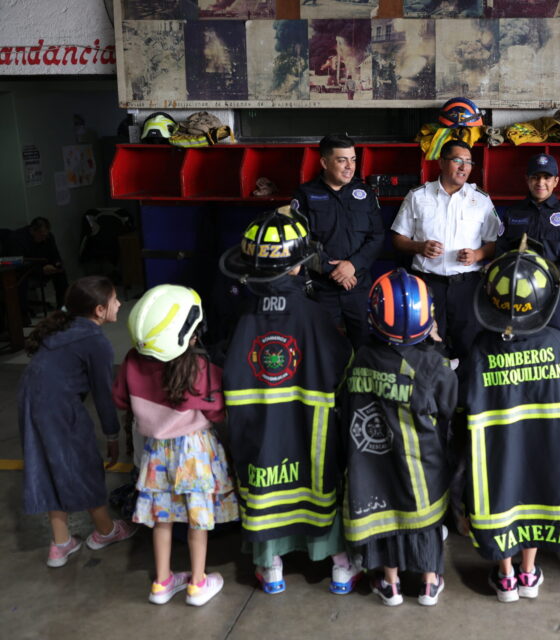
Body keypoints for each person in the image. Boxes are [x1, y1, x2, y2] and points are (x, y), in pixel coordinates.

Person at [219, 207, 361, 596]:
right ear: (298, 266)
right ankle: (339, 565)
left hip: (259, 433)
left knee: (264, 492)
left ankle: (270, 566)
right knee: (319, 486)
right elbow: (342, 364)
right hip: (309, 431)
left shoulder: (242, 316)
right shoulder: (315, 316)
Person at [462, 239, 560, 603]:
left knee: (504, 502)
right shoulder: (558, 344)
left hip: (499, 454)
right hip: (545, 450)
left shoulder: (481, 347)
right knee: (537, 500)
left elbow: (465, 397)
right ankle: (529, 571)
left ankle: (506, 574)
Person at [114, 285, 239, 606]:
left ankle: (161, 582)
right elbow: (218, 411)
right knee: (198, 519)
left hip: (156, 452)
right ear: (189, 335)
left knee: (162, 517)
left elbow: (120, 399)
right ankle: (197, 583)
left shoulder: (131, 362)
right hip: (194, 453)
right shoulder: (199, 368)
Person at [341, 269, 457, 607]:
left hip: (372, 464)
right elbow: (449, 408)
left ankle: (390, 584)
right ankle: (429, 584)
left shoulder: (360, 357)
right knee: (425, 522)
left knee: (387, 523)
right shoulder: (433, 364)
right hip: (421, 466)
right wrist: (437, 346)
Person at [18, 275, 135, 568]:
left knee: (50, 465)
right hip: (58, 407)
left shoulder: (62, 327)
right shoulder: (96, 341)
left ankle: (61, 543)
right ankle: (106, 531)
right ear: (99, 310)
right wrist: (112, 435)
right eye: (114, 300)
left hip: (31, 401)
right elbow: (103, 395)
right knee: (84, 464)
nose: (120, 304)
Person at [392, 140, 500, 361]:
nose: (464, 167)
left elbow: (495, 242)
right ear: (441, 162)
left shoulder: (481, 200)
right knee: (426, 348)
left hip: (467, 287)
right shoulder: (418, 196)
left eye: (468, 162)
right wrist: (419, 246)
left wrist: (477, 254)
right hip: (427, 285)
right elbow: (398, 239)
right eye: (457, 160)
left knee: (470, 348)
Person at [292, 134, 384, 349]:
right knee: (323, 348)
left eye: (353, 160)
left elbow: (377, 236)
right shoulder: (305, 194)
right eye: (342, 160)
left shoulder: (365, 193)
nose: (350, 167)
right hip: (321, 288)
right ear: (325, 163)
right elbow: (299, 241)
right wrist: (332, 270)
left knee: (365, 347)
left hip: (358, 286)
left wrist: (352, 266)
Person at [495, 153, 560, 333]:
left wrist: (550, 284)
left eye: (546, 177)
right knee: (519, 339)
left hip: (556, 292)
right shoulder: (512, 213)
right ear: (527, 180)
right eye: (535, 177)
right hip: (518, 293)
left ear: (556, 181)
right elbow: (502, 252)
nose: (540, 182)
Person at [4, 217, 68, 313]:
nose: (44, 238)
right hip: (24, 271)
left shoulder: (48, 237)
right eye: (42, 235)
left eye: (46, 235)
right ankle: (23, 313)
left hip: (42, 268)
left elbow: (55, 255)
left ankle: (63, 308)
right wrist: (41, 269)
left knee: (61, 274)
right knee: (20, 280)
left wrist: (57, 265)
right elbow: (18, 264)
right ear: (33, 231)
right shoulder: (16, 239)